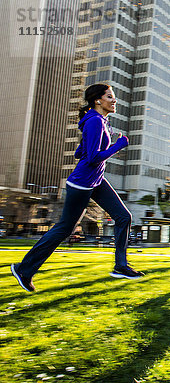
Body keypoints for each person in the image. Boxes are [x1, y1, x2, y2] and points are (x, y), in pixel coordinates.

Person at [11, 84, 144, 292]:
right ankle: (24, 269)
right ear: (98, 101)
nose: (114, 100)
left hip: (96, 180)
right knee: (64, 228)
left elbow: (80, 153)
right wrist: (119, 145)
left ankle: (121, 265)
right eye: (110, 96)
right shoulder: (94, 122)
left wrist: (93, 145)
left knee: (123, 217)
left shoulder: (99, 121)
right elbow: (91, 158)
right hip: (82, 184)